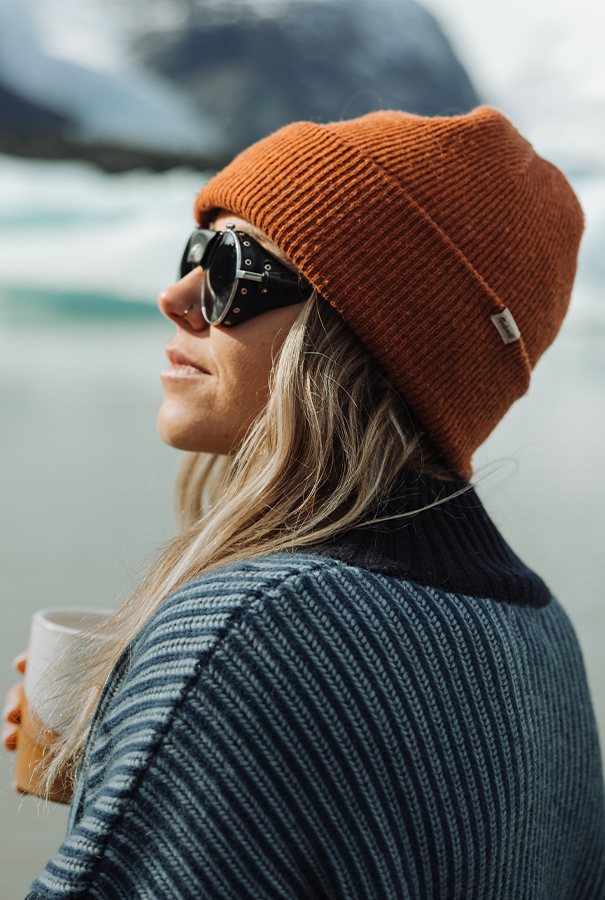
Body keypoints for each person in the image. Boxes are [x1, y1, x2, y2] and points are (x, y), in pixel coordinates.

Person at [4, 106, 605, 899]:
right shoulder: (536, 633)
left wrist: (183, 715)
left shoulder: (247, 629)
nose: (176, 295)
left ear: (365, 333)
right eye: (196, 251)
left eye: (229, 267)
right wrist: (136, 759)